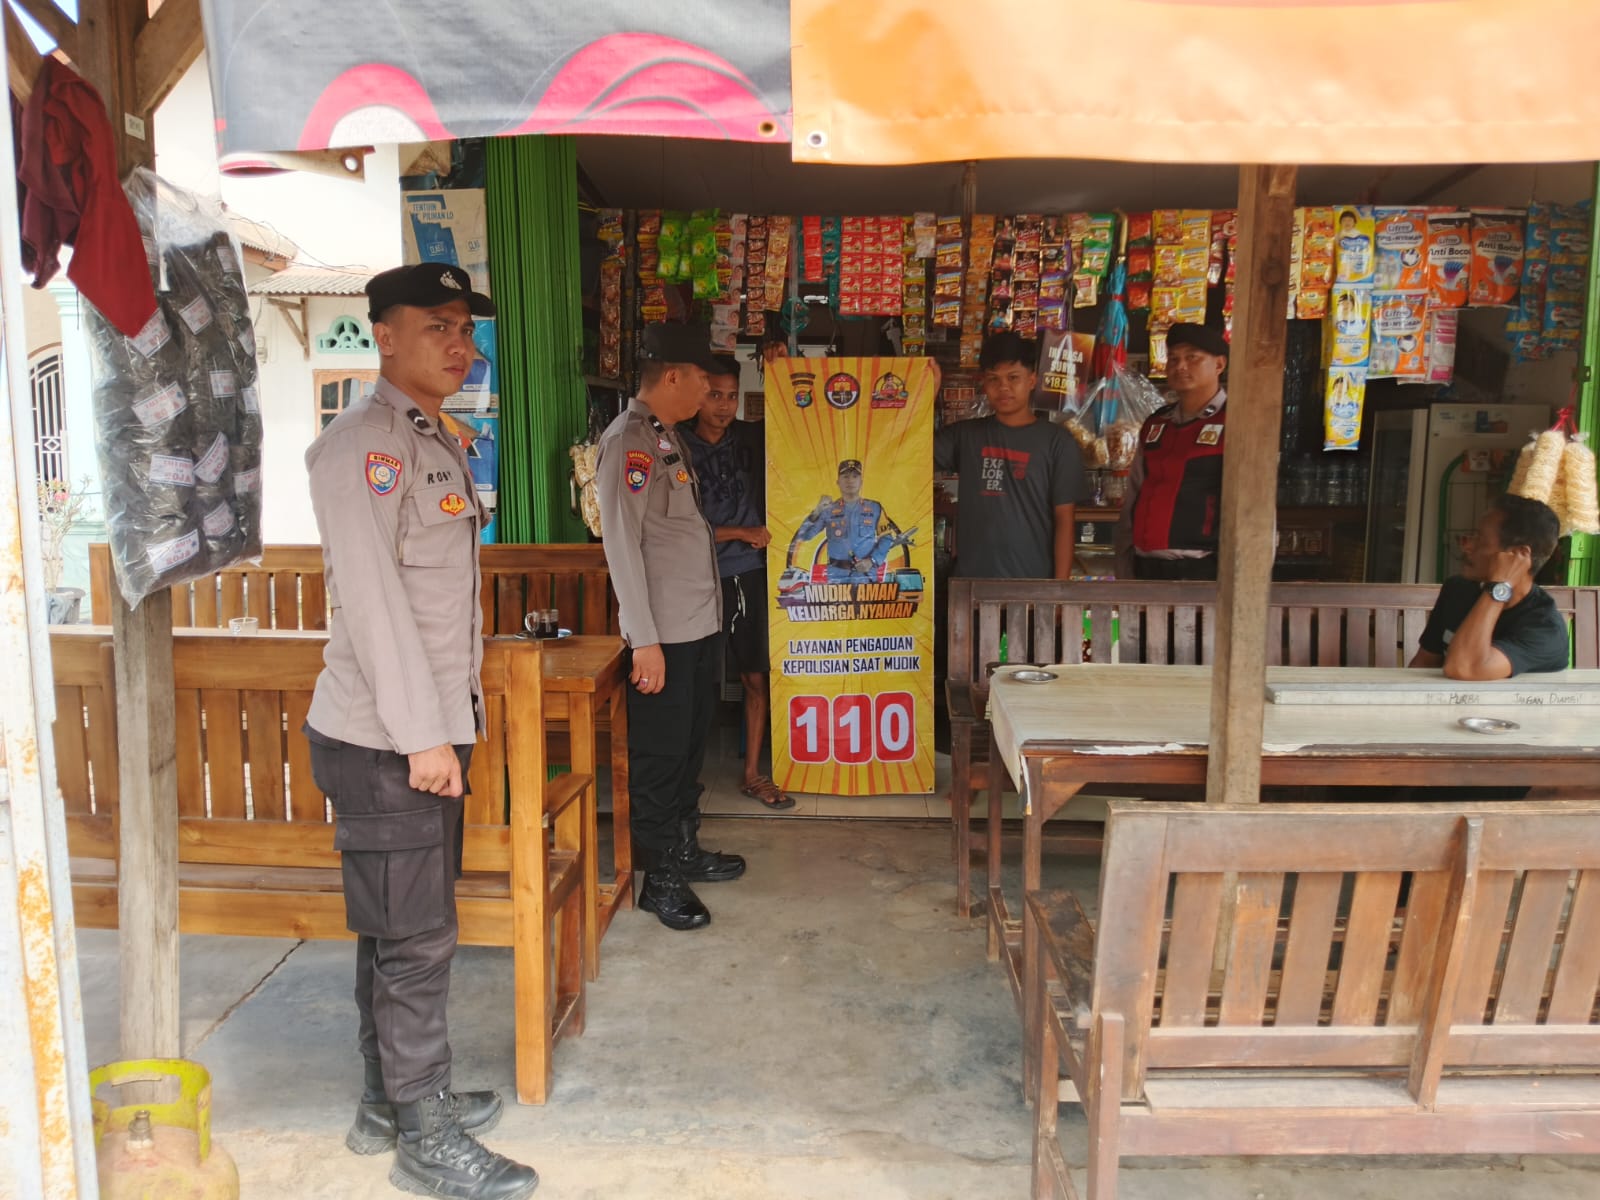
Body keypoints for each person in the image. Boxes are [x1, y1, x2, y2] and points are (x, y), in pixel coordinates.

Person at [303, 263, 537, 1200]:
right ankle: (425, 1137)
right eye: (437, 325)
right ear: (384, 334)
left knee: (397, 929)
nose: (459, 344)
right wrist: (422, 738)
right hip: (389, 740)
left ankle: (386, 1103)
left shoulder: (431, 436)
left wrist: (442, 730)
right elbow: (372, 604)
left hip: (426, 730)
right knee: (418, 940)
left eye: (466, 328)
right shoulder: (363, 446)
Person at [597, 323, 746, 932]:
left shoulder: (664, 437)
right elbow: (621, 544)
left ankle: (684, 849)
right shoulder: (628, 441)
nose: (710, 395)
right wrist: (644, 641)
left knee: (687, 749)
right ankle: (657, 877)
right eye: (705, 383)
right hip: (662, 635)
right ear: (675, 376)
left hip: (695, 626)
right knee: (659, 756)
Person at [678, 356, 794, 811]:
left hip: (749, 574)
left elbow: (800, 424)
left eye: (731, 396)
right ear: (697, 393)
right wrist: (740, 532)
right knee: (696, 681)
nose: (724, 406)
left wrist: (782, 365)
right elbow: (677, 526)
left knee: (754, 677)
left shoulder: (751, 437)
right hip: (699, 577)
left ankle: (751, 774)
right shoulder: (676, 445)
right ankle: (685, 778)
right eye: (714, 395)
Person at [933, 330, 1088, 578]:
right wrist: (927, 396)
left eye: (1013, 377)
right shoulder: (965, 436)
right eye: (993, 379)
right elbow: (910, 454)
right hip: (972, 585)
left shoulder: (1058, 442)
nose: (1003, 387)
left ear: (1032, 380)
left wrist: (1059, 590)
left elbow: (1064, 520)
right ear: (984, 384)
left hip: (1032, 584)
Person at [1114, 322, 1230, 580]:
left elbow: (1253, 511)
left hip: (1202, 571)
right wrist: (1123, 562)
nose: (1180, 366)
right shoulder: (1157, 424)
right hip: (1145, 567)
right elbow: (1134, 494)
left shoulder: (1234, 422)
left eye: (1192, 358)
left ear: (1219, 364)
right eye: (1174, 359)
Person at [1409, 494, 1569, 680]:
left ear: (1518, 555)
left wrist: (1500, 586)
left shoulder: (1545, 629)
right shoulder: (1457, 590)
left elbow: (1464, 668)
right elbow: (1424, 662)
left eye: (1480, 539)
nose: (1466, 546)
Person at [792, 460, 907, 582]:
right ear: (838, 482)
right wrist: (817, 511)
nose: (850, 481)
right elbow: (804, 535)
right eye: (845, 476)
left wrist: (872, 561)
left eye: (855, 476)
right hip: (836, 577)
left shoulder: (875, 508)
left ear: (861, 481)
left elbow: (886, 538)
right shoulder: (828, 510)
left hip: (865, 576)